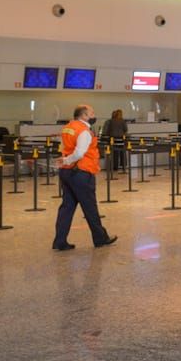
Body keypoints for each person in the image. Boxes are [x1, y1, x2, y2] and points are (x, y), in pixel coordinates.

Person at [52, 104, 117, 251]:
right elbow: (80, 153)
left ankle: (60, 241)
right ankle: (100, 238)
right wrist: (68, 160)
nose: (94, 115)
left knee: (67, 207)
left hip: (66, 172)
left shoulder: (68, 127)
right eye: (92, 113)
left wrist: (64, 161)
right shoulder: (84, 131)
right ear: (84, 115)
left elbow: (64, 147)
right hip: (81, 172)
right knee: (90, 207)